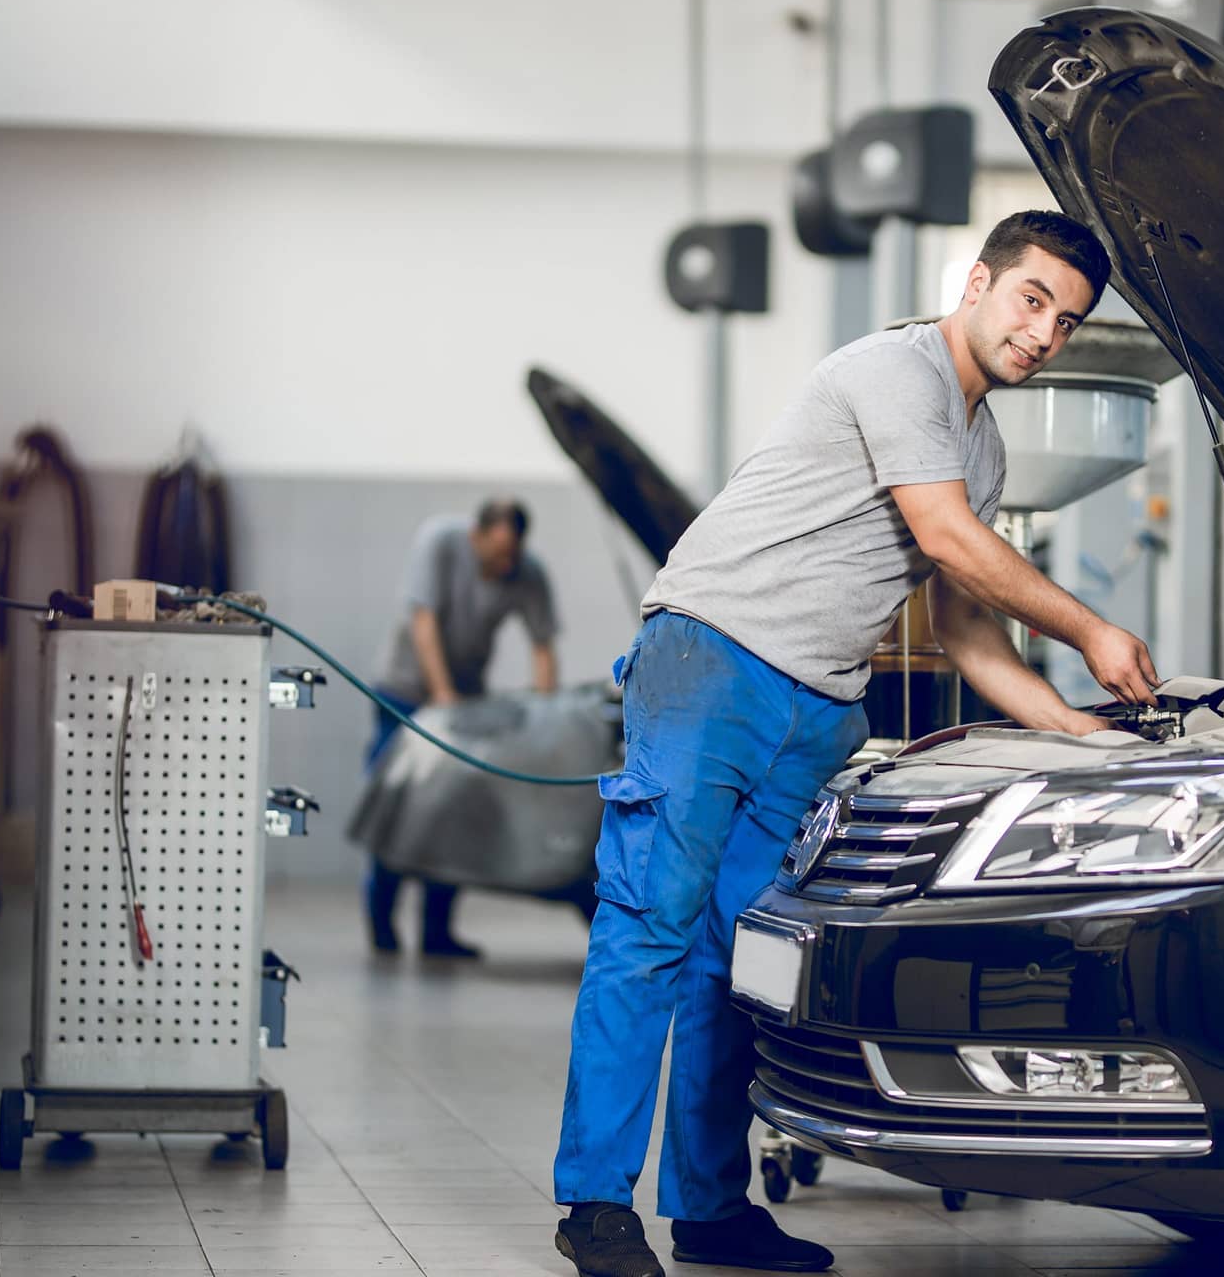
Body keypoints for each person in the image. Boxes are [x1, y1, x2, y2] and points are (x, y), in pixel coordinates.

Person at [552, 211, 1159, 1277]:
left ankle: (709, 1208)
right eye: (1032, 300)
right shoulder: (895, 368)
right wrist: (1094, 626)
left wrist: (1075, 725)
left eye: (1066, 321)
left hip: (818, 703)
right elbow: (946, 538)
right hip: (711, 660)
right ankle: (596, 1203)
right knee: (650, 927)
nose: (1044, 334)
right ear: (977, 281)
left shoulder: (984, 443)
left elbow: (967, 624)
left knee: (735, 965)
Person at [366, 498, 559, 957]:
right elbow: (424, 620)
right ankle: (382, 924)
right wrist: (442, 694)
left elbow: (543, 645)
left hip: (464, 699)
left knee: (452, 815)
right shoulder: (439, 541)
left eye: (511, 556)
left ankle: (436, 932)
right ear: (477, 534)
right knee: (396, 809)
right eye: (495, 556)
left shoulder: (526, 571)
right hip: (404, 692)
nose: (504, 565)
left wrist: (548, 716)